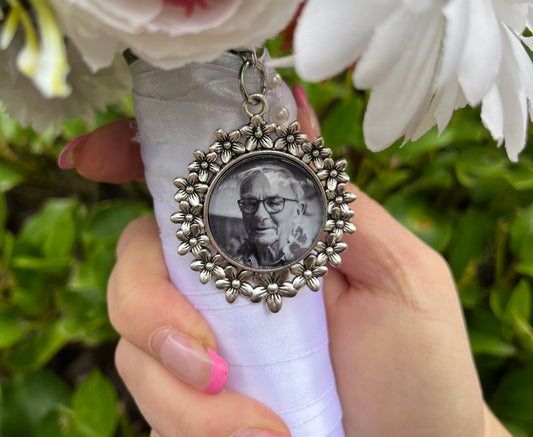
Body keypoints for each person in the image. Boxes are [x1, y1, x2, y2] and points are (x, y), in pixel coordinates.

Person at [59, 86, 512, 437]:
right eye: (249, 205)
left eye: (275, 203)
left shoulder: (317, 233)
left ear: (299, 205)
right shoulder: (227, 240)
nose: (260, 214)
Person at [234, 167, 306, 269]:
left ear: (298, 212)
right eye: (250, 203)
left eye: (273, 203)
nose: (259, 214)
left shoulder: (310, 263)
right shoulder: (230, 267)